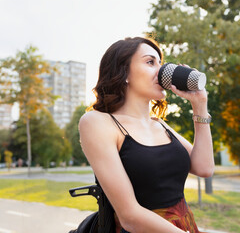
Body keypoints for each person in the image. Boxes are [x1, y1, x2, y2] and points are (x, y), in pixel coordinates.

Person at [79, 36, 214, 233]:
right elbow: (130, 216)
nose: (161, 71)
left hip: (183, 227)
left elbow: (204, 168)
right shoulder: (98, 122)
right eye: (150, 62)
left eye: (160, 63)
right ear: (123, 72)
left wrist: (200, 105)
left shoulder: (160, 125)